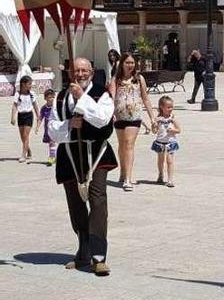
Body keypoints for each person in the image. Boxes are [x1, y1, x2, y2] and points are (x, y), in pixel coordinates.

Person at [48, 57, 116, 276]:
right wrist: (69, 124)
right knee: (75, 204)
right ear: (70, 72)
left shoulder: (102, 94)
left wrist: (82, 100)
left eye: (84, 70)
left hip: (96, 154)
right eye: (76, 70)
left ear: (92, 72)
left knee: (98, 201)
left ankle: (99, 257)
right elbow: (52, 130)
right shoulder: (60, 98)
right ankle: (83, 250)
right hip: (70, 155)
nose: (80, 74)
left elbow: (103, 120)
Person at [108, 53, 156, 192]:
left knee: (129, 144)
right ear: (121, 64)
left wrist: (152, 117)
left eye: (132, 63)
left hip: (134, 116)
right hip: (119, 116)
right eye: (127, 62)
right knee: (122, 145)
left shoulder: (139, 79)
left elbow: (145, 98)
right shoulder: (116, 79)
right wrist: (110, 114)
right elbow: (111, 98)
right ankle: (123, 172)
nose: (130, 65)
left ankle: (128, 178)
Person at [151, 96, 181, 188]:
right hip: (160, 142)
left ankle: (170, 179)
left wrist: (172, 130)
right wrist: (154, 124)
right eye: (168, 107)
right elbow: (154, 131)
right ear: (161, 107)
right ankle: (160, 175)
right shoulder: (158, 119)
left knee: (169, 161)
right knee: (160, 161)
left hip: (170, 142)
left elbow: (179, 130)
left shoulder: (172, 119)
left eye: (171, 107)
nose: (170, 109)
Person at [11, 76, 36, 163]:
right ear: (23, 84)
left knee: (25, 135)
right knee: (22, 136)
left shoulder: (32, 94)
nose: (30, 85)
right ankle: (28, 149)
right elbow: (14, 106)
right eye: (29, 84)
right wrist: (12, 117)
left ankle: (23, 155)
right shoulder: (18, 94)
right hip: (20, 116)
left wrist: (39, 116)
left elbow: (35, 105)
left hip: (29, 115)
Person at [39, 89, 58, 166]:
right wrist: (37, 127)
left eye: (52, 97)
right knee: (51, 143)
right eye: (49, 97)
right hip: (48, 128)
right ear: (45, 98)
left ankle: (53, 157)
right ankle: (52, 157)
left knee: (54, 142)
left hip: (56, 127)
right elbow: (41, 118)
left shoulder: (56, 107)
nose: (51, 99)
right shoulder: (44, 108)